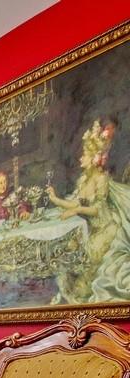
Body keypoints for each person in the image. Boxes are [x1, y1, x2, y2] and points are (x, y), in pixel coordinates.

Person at [54, 120, 130, 302]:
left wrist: (76, 211)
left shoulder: (101, 180)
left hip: (106, 230)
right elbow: (74, 203)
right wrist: (55, 199)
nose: (80, 159)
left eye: (84, 156)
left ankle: (82, 297)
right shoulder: (84, 180)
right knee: (66, 250)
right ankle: (69, 294)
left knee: (84, 258)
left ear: (94, 158)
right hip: (90, 229)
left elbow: (96, 210)